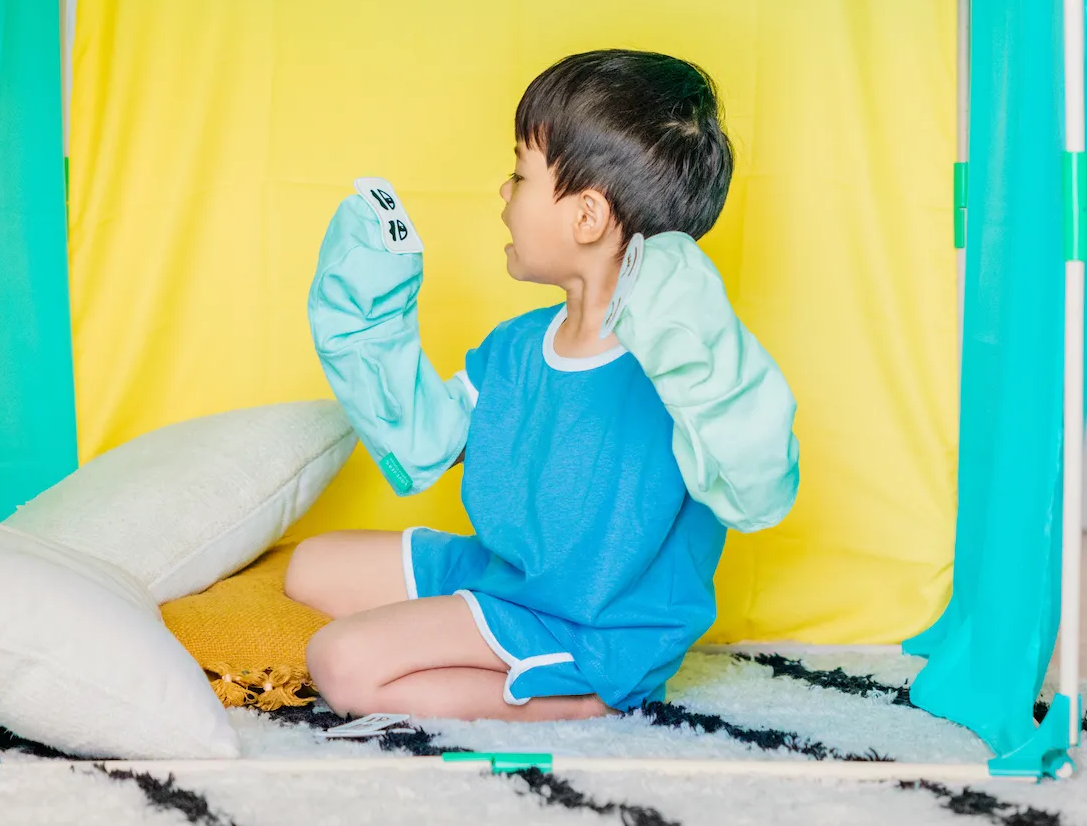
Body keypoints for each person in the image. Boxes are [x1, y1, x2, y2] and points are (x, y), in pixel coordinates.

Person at [287, 49, 800, 721]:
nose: (504, 194)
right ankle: (482, 637)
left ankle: (586, 698)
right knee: (308, 566)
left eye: (519, 174)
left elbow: (753, 479)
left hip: (595, 625)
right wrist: (368, 318)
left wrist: (694, 340)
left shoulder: (684, 365)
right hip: (513, 577)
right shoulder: (520, 342)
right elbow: (425, 439)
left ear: (586, 216)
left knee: (341, 662)